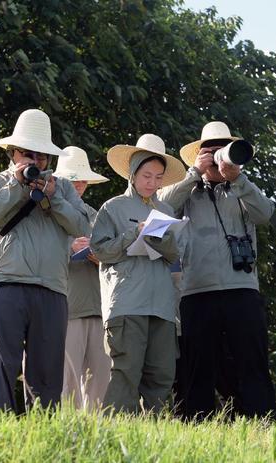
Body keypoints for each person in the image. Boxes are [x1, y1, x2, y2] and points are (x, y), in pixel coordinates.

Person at [0, 109, 90, 415]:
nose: (35, 162)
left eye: (41, 157)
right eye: (28, 154)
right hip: (7, 284)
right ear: (13, 153)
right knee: (1, 366)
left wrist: (54, 198)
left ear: (49, 160)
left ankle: (43, 435)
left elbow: (81, 225)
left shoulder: (62, 186)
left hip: (52, 288)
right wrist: (16, 186)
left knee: (47, 373)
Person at [159, 121, 276, 420]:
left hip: (242, 288)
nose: (217, 157)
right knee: (197, 364)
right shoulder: (187, 191)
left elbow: (265, 215)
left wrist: (238, 179)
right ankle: (196, 423)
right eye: (210, 151)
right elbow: (159, 211)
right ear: (198, 155)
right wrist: (193, 175)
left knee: (252, 360)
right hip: (197, 290)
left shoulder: (242, 187)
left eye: (221, 150)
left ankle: (262, 421)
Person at [90, 134, 186, 414]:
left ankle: (155, 437)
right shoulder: (113, 207)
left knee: (162, 373)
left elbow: (177, 256)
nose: (152, 183)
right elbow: (100, 250)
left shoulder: (167, 210)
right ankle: (117, 438)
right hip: (127, 302)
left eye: (158, 177)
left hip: (163, 306)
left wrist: (163, 238)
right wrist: (135, 233)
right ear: (132, 174)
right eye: (146, 175)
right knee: (126, 370)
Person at [54, 145, 111, 410]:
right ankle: (67, 440)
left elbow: (112, 254)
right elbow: (37, 251)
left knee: (101, 384)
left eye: (82, 180)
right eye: (72, 180)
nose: (78, 185)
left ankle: (100, 444)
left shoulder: (96, 216)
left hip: (99, 308)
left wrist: (100, 255)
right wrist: (69, 248)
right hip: (66, 308)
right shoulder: (48, 210)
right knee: (67, 386)